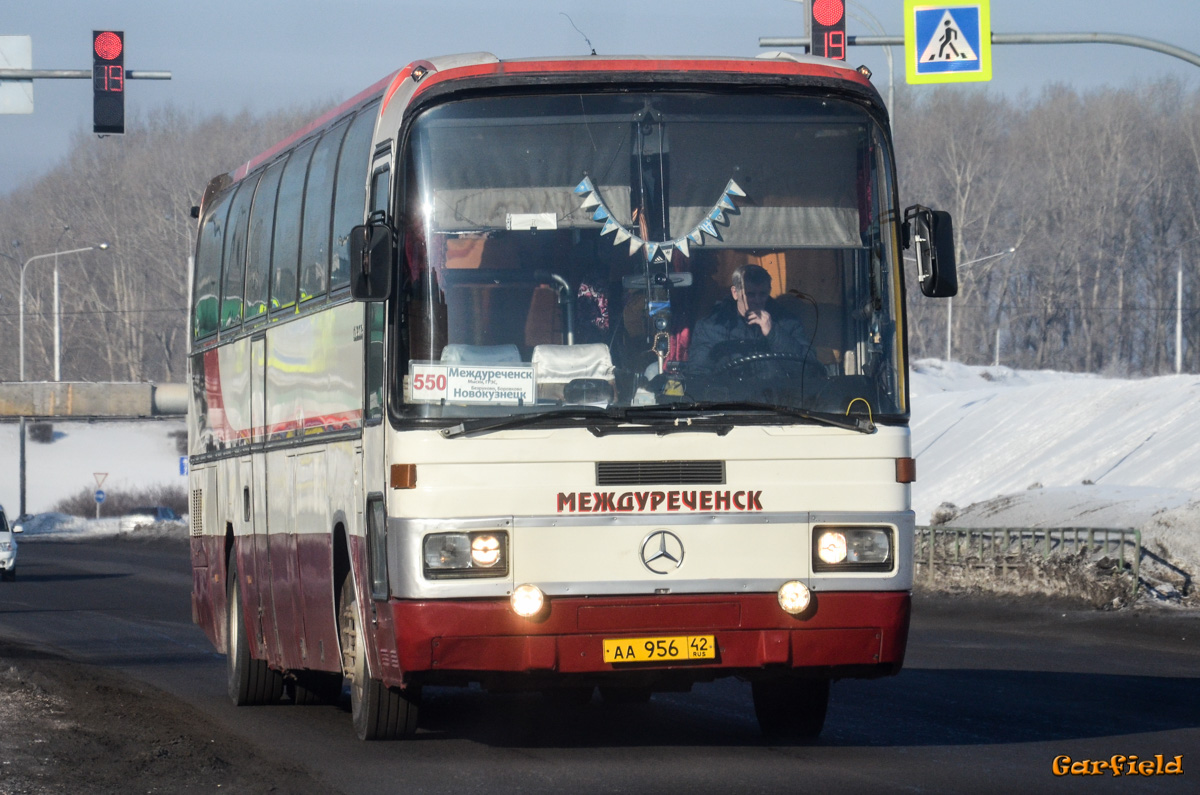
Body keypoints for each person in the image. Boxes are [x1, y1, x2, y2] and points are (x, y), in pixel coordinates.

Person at [687, 263, 814, 385]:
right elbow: (698, 375)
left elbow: (808, 369)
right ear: (735, 293)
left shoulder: (787, 323)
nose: (757, 300)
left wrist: (773, 333)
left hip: (777, 399)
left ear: (769, 291)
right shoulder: (711, 327)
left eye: (762, 294)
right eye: (750, 294)